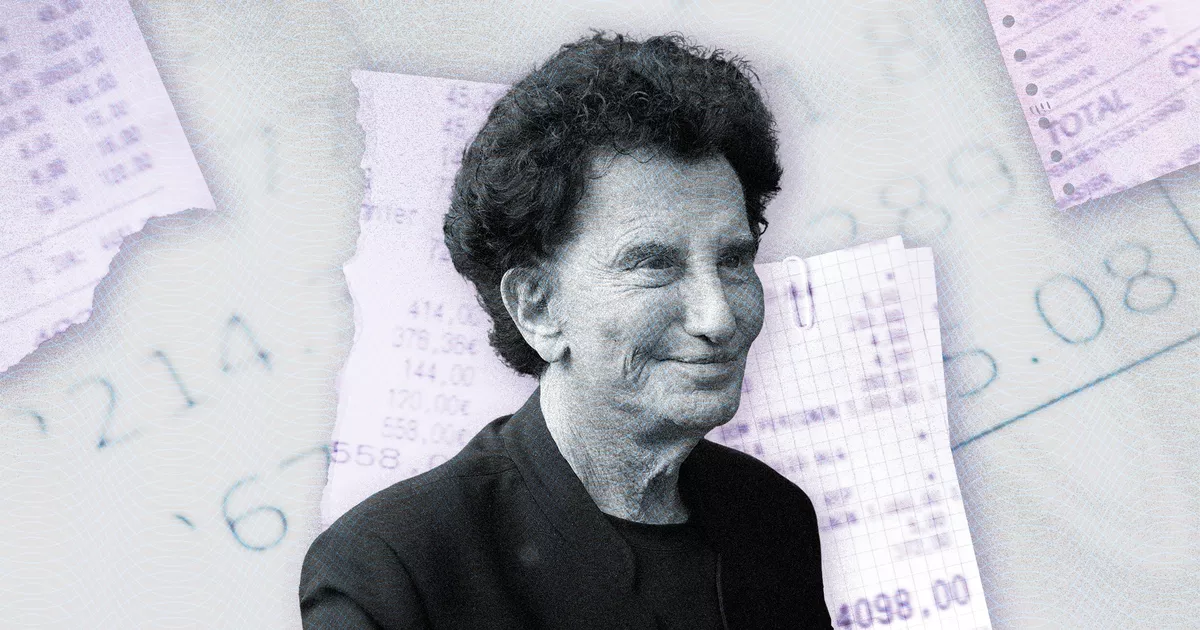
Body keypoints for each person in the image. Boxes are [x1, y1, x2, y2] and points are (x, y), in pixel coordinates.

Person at [300, 31, 831, 629]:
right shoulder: (392, 571)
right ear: (537, 309)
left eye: (732, 260)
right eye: (654, 264)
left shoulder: (770, 518)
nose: (718, 317)